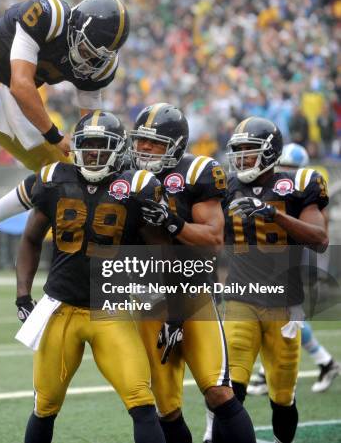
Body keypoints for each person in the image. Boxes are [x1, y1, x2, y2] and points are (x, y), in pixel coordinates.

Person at [13, 110, 166, 443]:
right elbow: (30, 239)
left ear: (118, 149)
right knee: (45, 404)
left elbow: (160, 250)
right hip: (61, 309)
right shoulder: (55, 178)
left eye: (102, 145)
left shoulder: (138, 186)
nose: (93, 153)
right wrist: (22, 295)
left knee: (141, 400)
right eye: (87, 145)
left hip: (113, 310)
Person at [128, 103, 256, 443]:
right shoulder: (122, 173)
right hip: (148, 302)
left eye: (153, 143)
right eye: (140, 141)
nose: (143, 149)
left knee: (218, 392)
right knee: (166, 407)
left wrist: (171, 221)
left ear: (175, 145)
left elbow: (213, 240)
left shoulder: (198, 171)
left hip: (193, 295)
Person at [0, 0, 129, 169]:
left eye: (96, 58)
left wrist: (87, 155)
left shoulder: (102, 67)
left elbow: (90, 126)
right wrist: (56, 136)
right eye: (86, 50)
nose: (88, 61)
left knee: (55, 165)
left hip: (12, 99)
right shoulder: (50, 15)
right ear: (75, 26)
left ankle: (56, 207)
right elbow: (21, 85)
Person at [221, 117, 329, 443]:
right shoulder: (225, 186)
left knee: (281, 397)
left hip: (284, 304)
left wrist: (274, 214)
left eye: (249, 152)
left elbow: (320, 238)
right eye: (237, 151)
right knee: (230, 390)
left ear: (270, 153)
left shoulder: (297, 184)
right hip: (240, 298)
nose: (241, 159)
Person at [246, 143, 338, 396]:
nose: (286, 172)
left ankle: (318, 363)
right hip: (280, 261)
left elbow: (319, 238)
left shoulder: (306, 194)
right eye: (283, 166)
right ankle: (320, 363)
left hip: (296, 260)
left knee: (285, 313)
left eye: (292, 168)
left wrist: (317, 269)